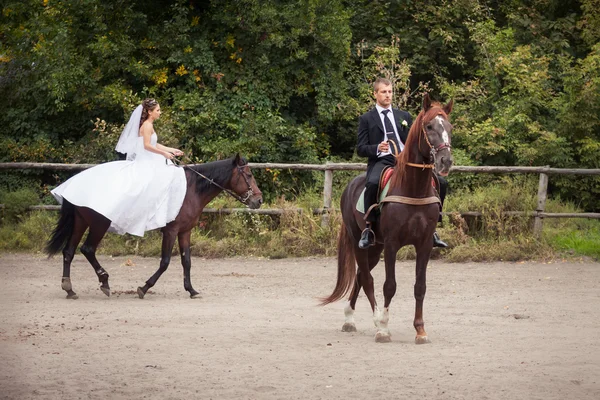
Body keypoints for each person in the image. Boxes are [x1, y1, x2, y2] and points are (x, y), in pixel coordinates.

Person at [51, 98, 187, 237]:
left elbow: (155, 144)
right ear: (149, 112)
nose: (160, 112)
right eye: (158, 110)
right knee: (147, 186)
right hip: (145, 162)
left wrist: (171, 150)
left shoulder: (150, 125)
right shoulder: (146, 125)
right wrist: (164, 154)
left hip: (151, 160)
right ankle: (144, 216)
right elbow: (147, 146)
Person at [356, 78, 448, 249]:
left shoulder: (404, 116)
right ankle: (368, 229)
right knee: (372, 183)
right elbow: (360, 148)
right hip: (382, 160)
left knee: (441, 182)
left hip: (406, 161)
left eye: (390, 91)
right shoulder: (367, 118)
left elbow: (414, 139)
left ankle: (434, 227)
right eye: (383, 92)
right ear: (375, 94)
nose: (388, 95)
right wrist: (377, 148)